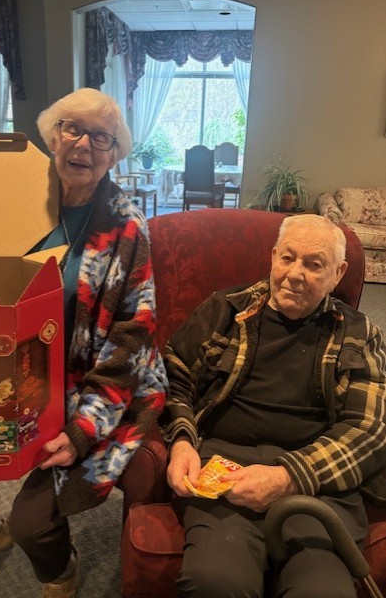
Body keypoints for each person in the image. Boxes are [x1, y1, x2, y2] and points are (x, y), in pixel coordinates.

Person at [0, 87, 167, 598]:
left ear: (114, 153)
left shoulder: (126, 228)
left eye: (100, 137)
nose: (83, 144)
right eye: (73, 128)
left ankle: (61, 571)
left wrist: (84, 429)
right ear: (52, 136)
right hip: (17, 369)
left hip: (98, 386)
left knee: (33, 522)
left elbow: (132, 341)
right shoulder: (16, 199)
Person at [163, 214, 386, 598]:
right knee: (215, 582)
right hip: (225, 472)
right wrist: (182, 441)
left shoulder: (359, 333)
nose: (294, 274)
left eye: (314, 264)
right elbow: (172, 377)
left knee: (323, 592)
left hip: (317, 485)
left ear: (338, 273)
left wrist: (288, 476)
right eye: (287, 258)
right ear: (272, 257)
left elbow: (369, 428)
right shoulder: (224, 310)